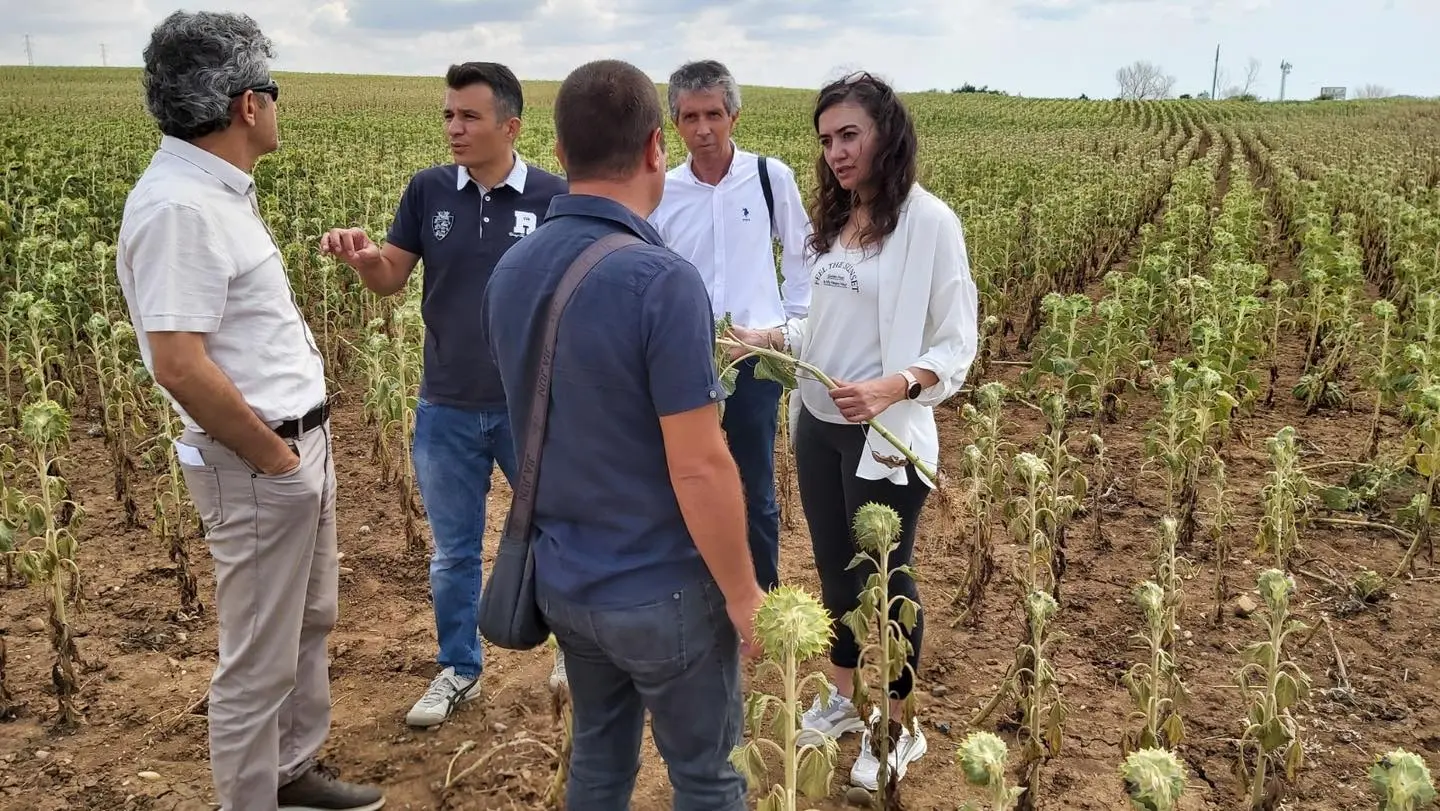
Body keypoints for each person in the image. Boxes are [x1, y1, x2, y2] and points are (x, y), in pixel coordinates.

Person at [117, 11, 384, 811]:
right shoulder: (180, 209)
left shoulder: (216, 190)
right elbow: (179, 362)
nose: (277, 103)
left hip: (295, 450)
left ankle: (291, 771)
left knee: (306, 623)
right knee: (257, 659)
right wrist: (274, 458)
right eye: (272, 89)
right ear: (245, 105)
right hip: (259, 462)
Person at [481, 58, 764, 810]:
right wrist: (743, 595)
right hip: (660, 589)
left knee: (600, 766)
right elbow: (701, 465)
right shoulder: (661, 280)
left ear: (560, 152)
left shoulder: (510, 271)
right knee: (708, 775)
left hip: (566, 581)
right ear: (653, 149)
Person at [730, 71, 978, 791]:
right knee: (839, 573)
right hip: (819, 425)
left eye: (850, 135)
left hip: (888, 437)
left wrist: (896, 384)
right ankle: (841, 697)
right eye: (827, 140)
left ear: (886, 135)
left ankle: (900, 727)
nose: (837, 152)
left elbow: (957, 342)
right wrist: (774, 336)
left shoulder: (930, 224)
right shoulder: (838, 223)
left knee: (889, 582)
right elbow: (823, 325)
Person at [319, 62, 567, 728]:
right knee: (453, 551)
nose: (454, 129)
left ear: (510, 125)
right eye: (448, 116)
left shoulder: (553, 197)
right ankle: (459, 667)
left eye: (469, 117)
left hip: (531, 407)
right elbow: (390, 278)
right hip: (446, 404)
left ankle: (574, 648)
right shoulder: (428, 191)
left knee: (556, 530)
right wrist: (365, 258)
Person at [648, 59, 812, 593]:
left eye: (714, 114)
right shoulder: (663, 191)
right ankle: (695, 598)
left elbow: (802, 256)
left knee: (754, 488)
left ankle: (760, 603)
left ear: (734, 116)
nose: (703, 129)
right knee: (684, 480)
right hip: (684, 361)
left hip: (756, 358)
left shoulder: (769, 177)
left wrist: (787, 327)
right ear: (674, 124)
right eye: (690, 116)